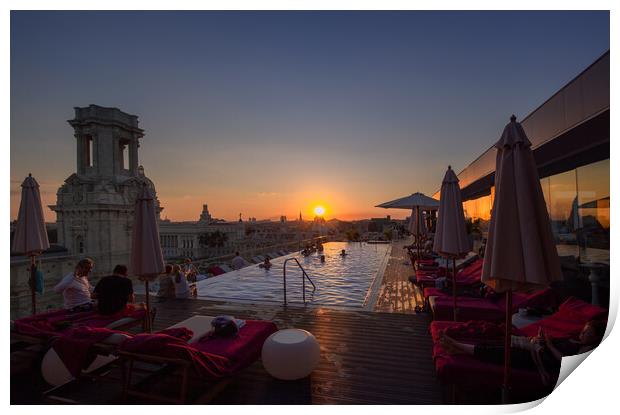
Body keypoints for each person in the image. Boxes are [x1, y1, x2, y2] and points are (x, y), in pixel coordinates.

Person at [439, 320, 606, 385]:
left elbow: (565, 361)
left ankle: (457, 346)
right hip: (537, 350)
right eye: (583, 330)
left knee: (498, 353)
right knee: (498, 346)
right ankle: (457, 347)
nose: (583, 334)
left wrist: (548, 345)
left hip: (536, 361)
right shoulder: (575, 340)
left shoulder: (586, 351)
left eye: (588, 333)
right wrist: (542, 339)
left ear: (596, 338)